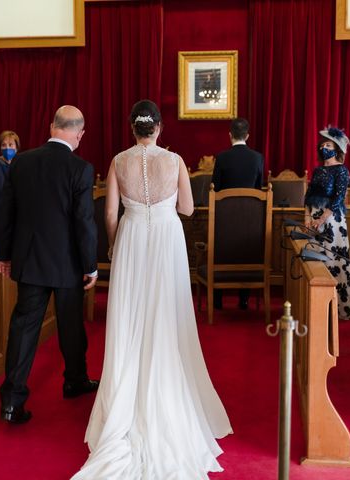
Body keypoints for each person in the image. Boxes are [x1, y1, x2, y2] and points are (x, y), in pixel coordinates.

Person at [71, 100, 232, 479]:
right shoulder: (174, 162)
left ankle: (124, 401)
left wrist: (114, 244)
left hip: (130, 241)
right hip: (166, 239)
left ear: (133, 128)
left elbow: (109, 213)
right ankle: (168, 394)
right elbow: (189, 210)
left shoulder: (118, 161)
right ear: (159, 128)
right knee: (166, 313)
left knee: (129, 317)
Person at [0, 106, 98, 424]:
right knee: (70, 326)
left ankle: (11, 401)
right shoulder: (80, 168)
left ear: (52, 126)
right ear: (79, 134)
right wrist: (90, 264)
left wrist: (3, 255)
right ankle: (75, 381)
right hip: (67, 264)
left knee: (23, 328)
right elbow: (83, 221)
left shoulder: (20, 162)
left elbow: (5, 212)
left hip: (29, 260)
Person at [304, 126, 350, 320]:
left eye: (328, 145)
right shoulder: (318, 170)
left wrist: (321, 219)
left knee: (333, 259)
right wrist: (309, 217)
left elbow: (338, 199)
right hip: (314, 218)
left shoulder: (341, 171)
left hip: (332, 220)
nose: (324, 148)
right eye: (322, 145)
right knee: (317, 261)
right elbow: (309, 195)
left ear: (337, 149)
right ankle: (318, 308)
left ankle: (339, 308)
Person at [212, 117, 264, 309]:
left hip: (224, 221)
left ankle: (217, 300)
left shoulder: (222, 158)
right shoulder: (258, 158)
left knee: (219, 251)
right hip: (251, 220)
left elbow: (215, 189)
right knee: (247, 253)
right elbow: (258, 190)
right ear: (247, 136)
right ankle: (244, 300)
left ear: (229, 135)